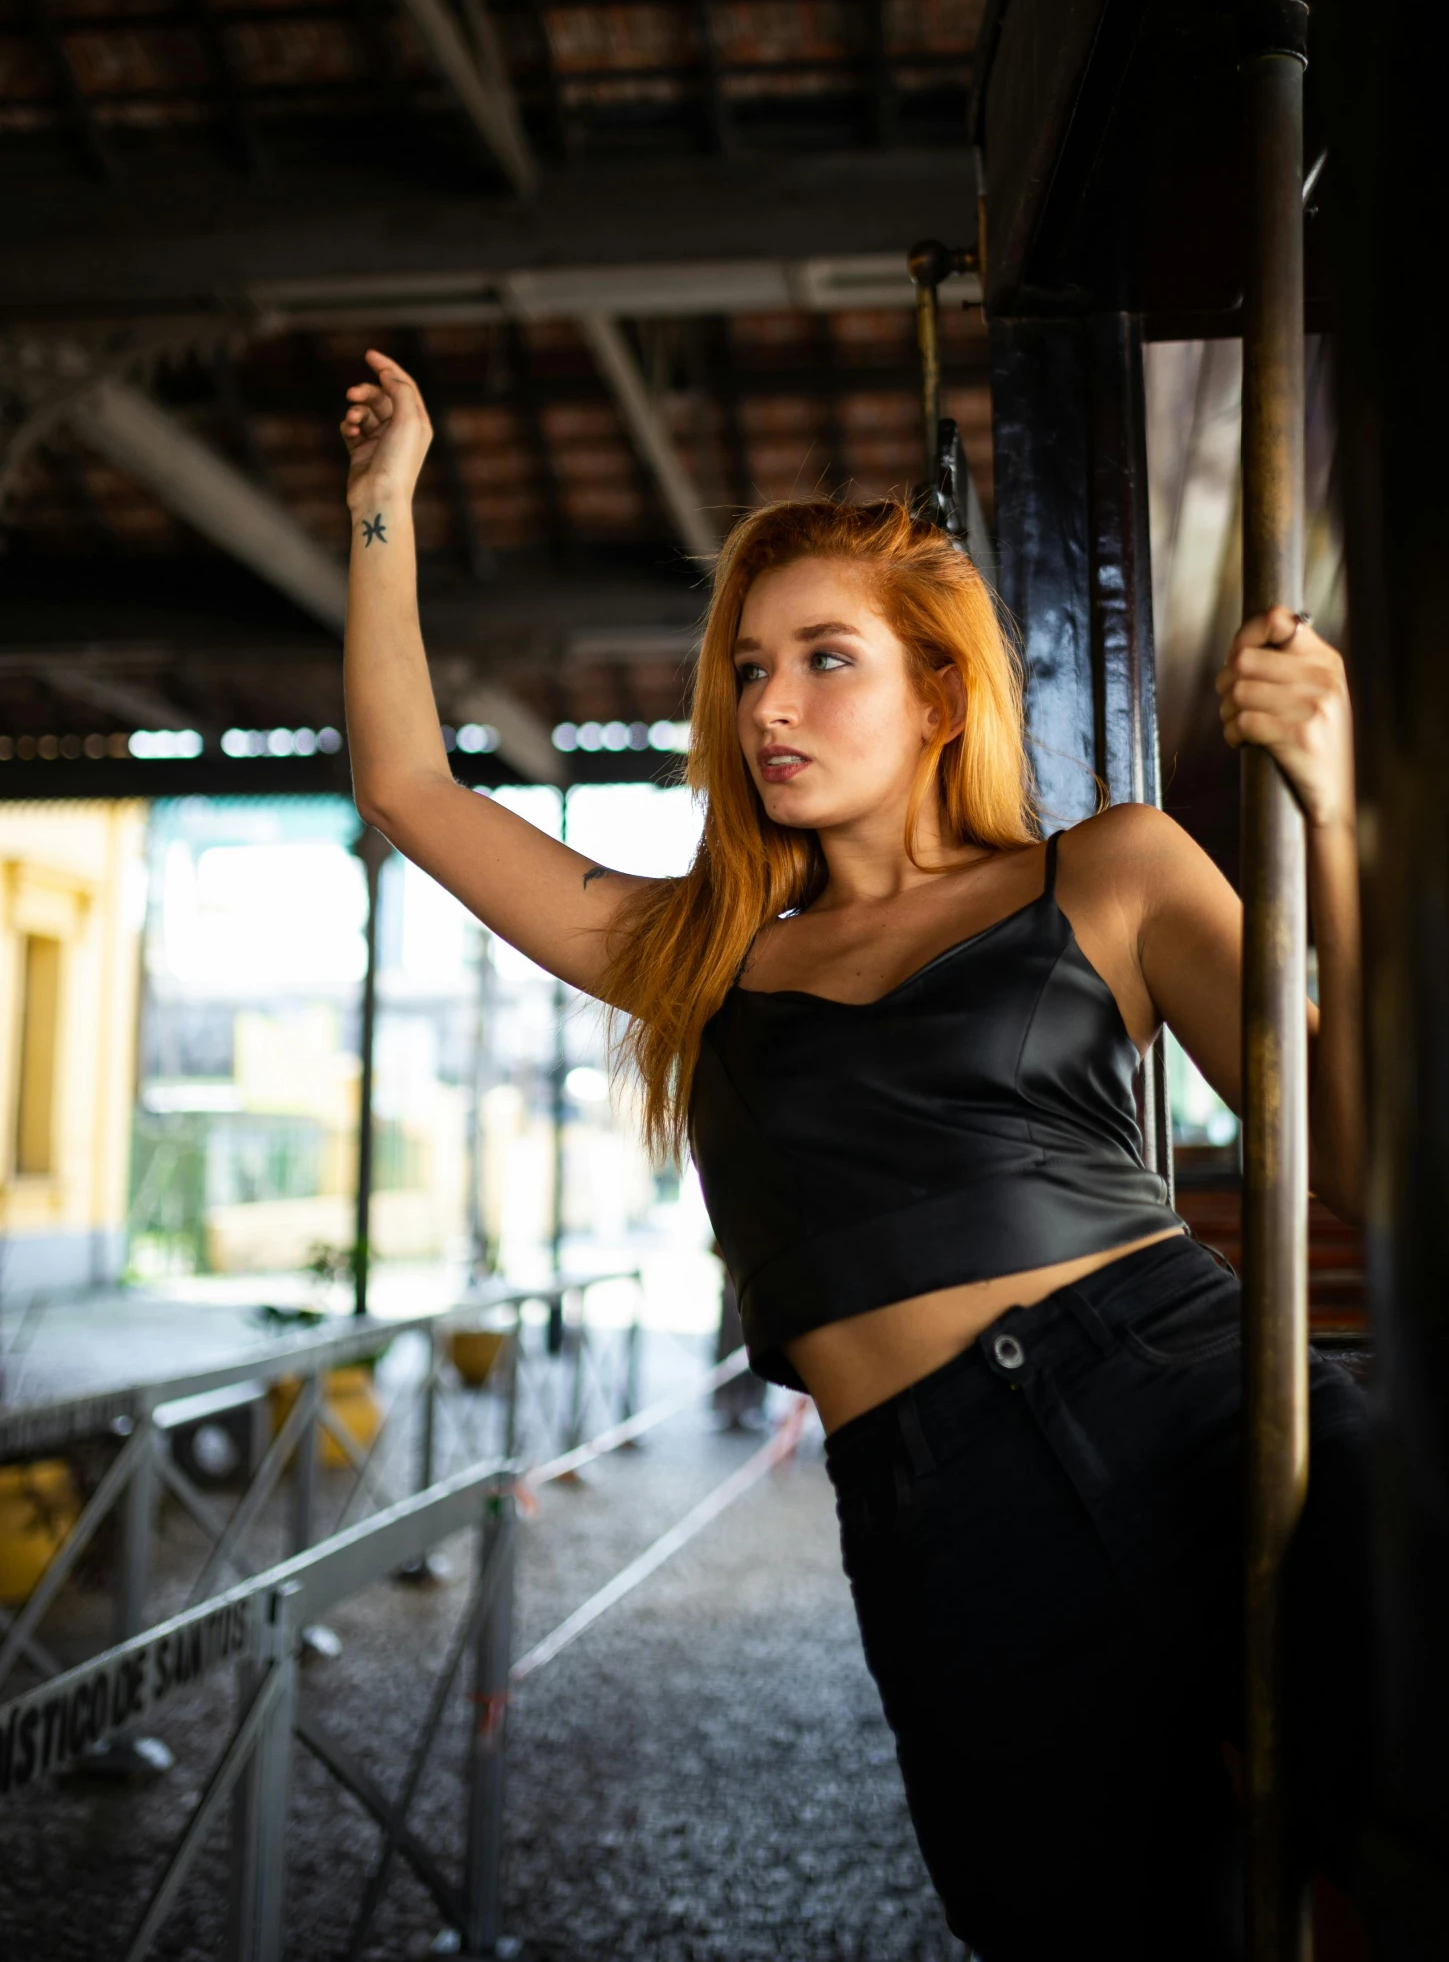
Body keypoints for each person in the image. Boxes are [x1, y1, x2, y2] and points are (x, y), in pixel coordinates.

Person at [340, 348, 1371, 1960]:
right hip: (939, 1510)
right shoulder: (698, 951)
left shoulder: (1106, 873)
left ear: (938, 692)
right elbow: (407, 785)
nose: (766, 703)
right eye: (748, 667)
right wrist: (384, 509)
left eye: (825, 659)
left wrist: (1332, 814)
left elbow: (1354, 1139)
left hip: (1182, 1395)